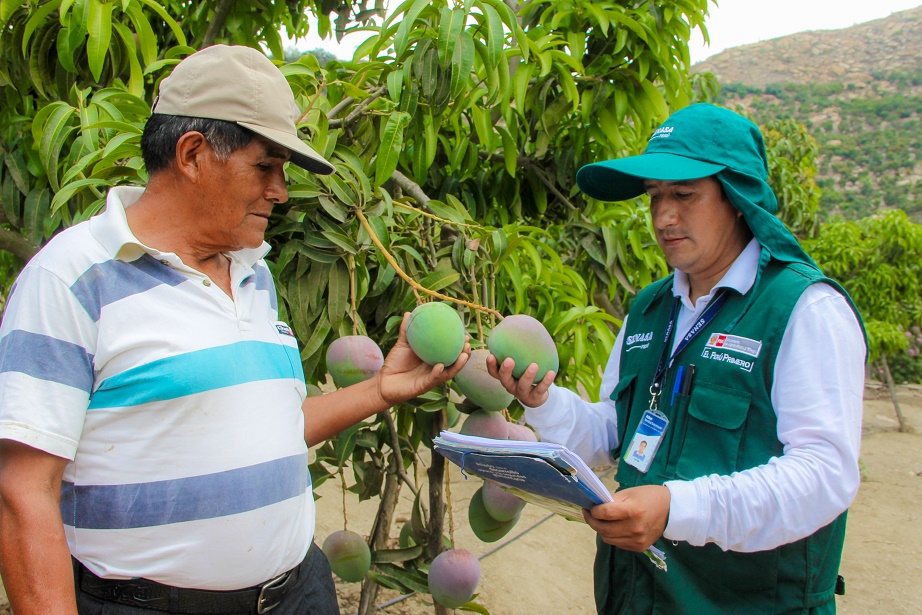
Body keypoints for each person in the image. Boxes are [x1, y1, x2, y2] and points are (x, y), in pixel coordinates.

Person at [0, 45, 469, 615]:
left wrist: (379, 390)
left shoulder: (254, 273)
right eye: (264, 166)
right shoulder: (71, 279)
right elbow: (24, 490)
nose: (280, 190)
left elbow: (272, 427)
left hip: (298, 593)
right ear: (193, 154)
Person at [488, 103, 866, 613]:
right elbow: (613, 434)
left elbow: (823, 475)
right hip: (637, 596)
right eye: (654, 197)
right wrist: (544, 402)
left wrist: (678, 507)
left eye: (684, 195)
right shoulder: (649, 309)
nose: (664, 216)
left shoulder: (803, 309)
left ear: (736, 198)